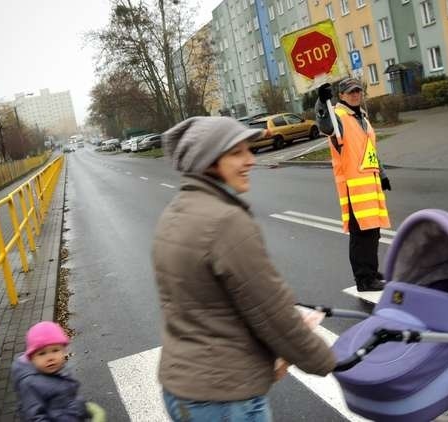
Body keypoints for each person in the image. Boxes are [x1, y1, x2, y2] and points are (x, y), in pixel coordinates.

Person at [155, 116, 336, 421]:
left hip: (182, 389)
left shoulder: (174, 213)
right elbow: (272, 311)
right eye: (236, 153)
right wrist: (325, 360)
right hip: (225, 398)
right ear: (209, 161)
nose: (250, 160)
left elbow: (203, 304)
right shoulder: (226, 221)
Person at [315, 78, 391, 292]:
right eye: (350, 92)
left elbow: (370, 150)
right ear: (341, 96)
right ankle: (364, 280)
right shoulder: (338, 117)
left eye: (358, 91)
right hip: (354, 189)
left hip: (370, 186)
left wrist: (382, 174)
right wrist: (321, 102)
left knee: (373, 233)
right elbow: (325, 125)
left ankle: (371, 272)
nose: (355, 94)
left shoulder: (362, 117)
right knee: (361, 236)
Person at [11, 321, 105, 421]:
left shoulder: (56, 372)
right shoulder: (30, 384)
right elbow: (35, 417)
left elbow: (64, 399)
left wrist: (83, 407)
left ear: (64, 351)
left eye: (55, 350)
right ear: (32, 358)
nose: (50, 358)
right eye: (42, 353)